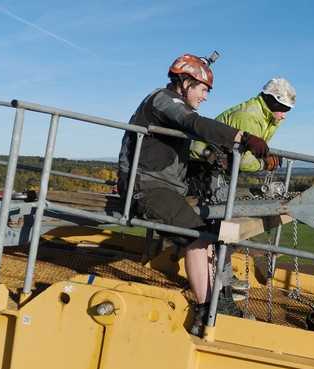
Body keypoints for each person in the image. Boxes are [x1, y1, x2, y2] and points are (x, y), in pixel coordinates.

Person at [117, 53, 272, 336]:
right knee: (197, 237)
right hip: (146, 188)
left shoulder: (169, 105)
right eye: (203, 89)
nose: (205, 96)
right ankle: (206, 309)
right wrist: (243, 138)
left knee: (209, 232)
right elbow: (195, 124)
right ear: (185, 82)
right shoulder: (164, 100)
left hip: (163, 185)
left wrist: (215, 158)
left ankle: (216, 298)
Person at [191, 77, 296, 172]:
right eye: (283, 109)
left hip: (217, 164)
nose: (284, 116)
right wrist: (265, 164)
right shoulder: (249, 116)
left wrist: (265, 154)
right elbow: (243, 162)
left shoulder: (267, 117)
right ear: (273, 103)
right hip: (200, 164)